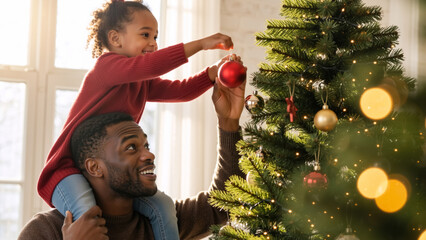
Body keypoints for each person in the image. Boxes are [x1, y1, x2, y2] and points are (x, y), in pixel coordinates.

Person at [36, 1, 234, 239]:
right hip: (68, 171)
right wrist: (201, 44)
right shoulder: (106, 68)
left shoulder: (139, 82)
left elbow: (179, 91)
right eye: (145, 35)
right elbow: (151, 64)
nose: (153, 42)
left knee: (163, 206)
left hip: (113, 176)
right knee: (88, 213)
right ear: (116, 39)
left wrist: (210, 75)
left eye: (155, 36)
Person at [18, 72, 247, 239]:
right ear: (95, 167)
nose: (148, 155)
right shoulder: (45, 231)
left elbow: (226, 200)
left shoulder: (163, 220)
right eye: (131, 148)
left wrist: (228, 122)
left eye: (146, 145)